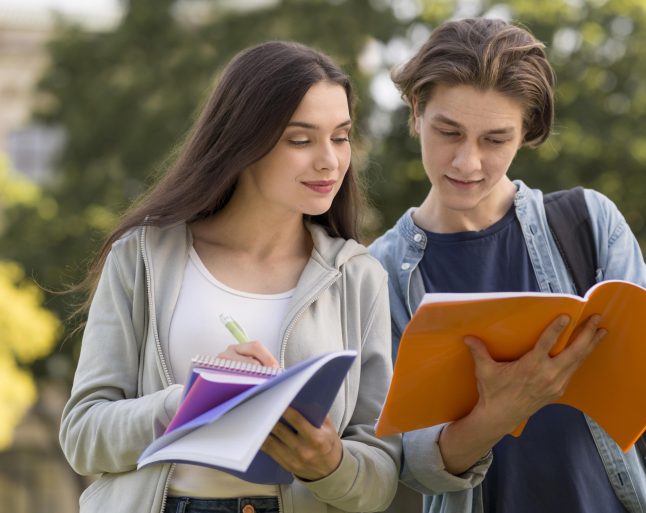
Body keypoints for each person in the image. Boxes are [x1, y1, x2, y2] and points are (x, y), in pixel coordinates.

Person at [59, 41, 400, 513]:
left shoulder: (359, 276)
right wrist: (191, 403)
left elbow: (380, 480)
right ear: (245, 141)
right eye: (300, 140)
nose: (330, 161)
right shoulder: (141, 256)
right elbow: (82, 437)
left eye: (340, 137)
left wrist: (330, 462)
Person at [369, 18, 646, 513]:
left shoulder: (589, 222)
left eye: (494, 140)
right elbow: (410, 466)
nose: (467, 163)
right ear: (416, 111)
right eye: (448, 132)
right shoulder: (376, 274)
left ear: (525, 132)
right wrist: (503, 410)